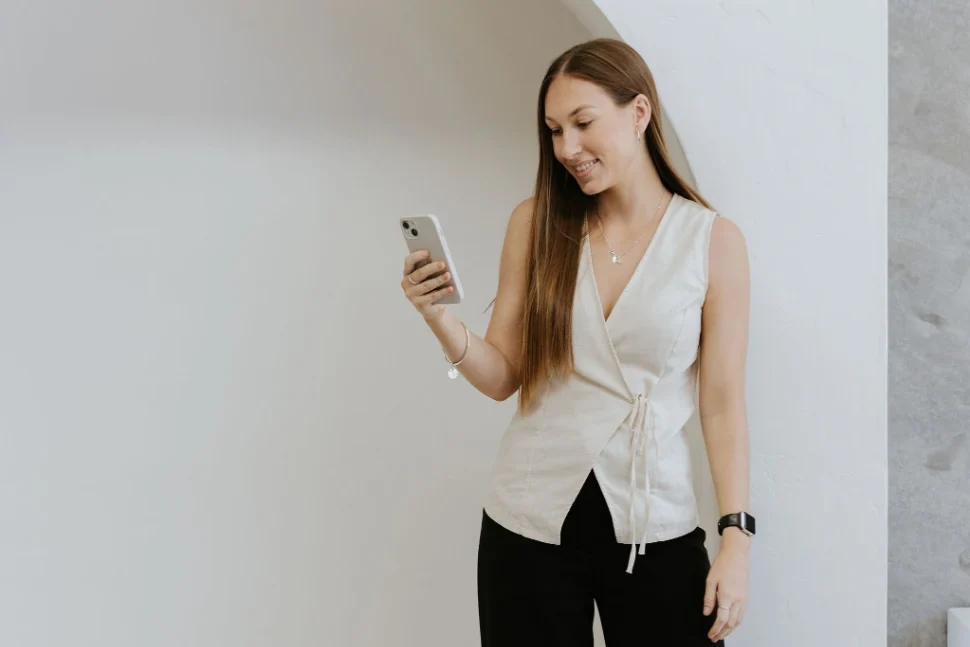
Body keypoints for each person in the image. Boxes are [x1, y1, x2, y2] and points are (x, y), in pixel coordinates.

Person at [400, 38, 754, 646]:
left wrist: (736, 538)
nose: (567, 149)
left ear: (640, 113)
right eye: (554, 130)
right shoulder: (534, 224)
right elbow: (503, 375)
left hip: (654, 523)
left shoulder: (712, 241)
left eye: (583, 123)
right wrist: (439, 319)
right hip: (528, 519)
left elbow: (721, 404)